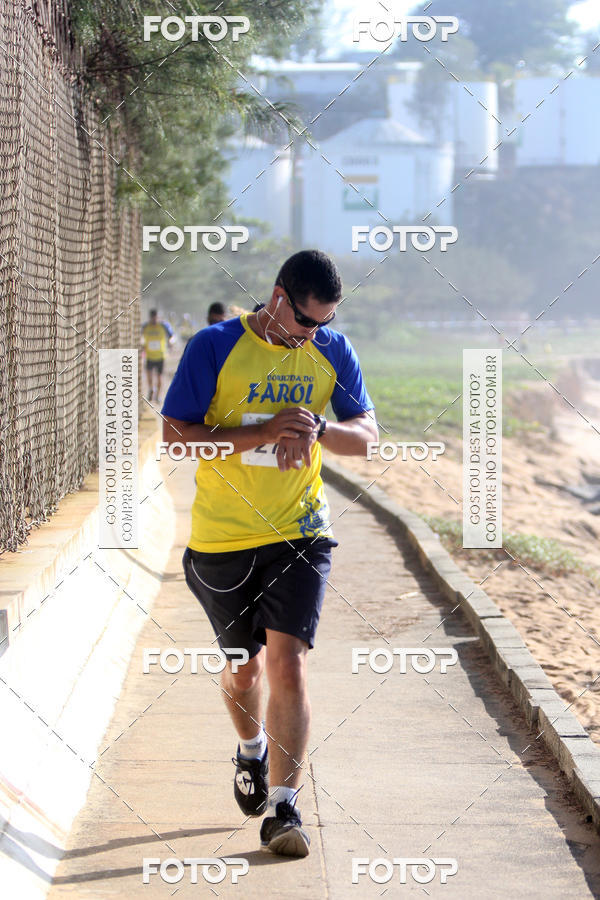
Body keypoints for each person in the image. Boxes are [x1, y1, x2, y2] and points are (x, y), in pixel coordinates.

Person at [161, 250, 378, 858]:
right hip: (222, 539)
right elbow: (175, 437)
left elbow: (366, 437)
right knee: (243, 669)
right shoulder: (213, 346)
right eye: (305, 321)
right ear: (278, 297)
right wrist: (261, 432)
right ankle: (251, 751)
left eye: (324, 322)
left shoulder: (333, 350)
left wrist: (316, 429)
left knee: (288, 663)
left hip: (300, 531)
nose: (313, 334)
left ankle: (284, 809)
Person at [141, 309, 174, 402]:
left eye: (156, 318)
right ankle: (151, 389)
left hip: (161, 356)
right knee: (149, 375)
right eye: (153, 318)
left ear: (158, 317)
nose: (154, 320)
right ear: (150, 318)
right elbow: (140, 337)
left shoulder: (164, 326)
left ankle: (158, 396)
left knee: (160, 377)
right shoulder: (145, 326)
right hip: (149, 355)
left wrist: (171, 344)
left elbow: (171, 336)